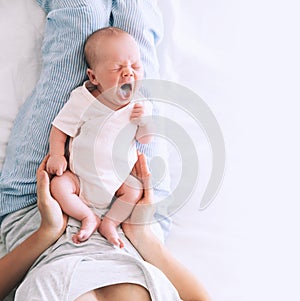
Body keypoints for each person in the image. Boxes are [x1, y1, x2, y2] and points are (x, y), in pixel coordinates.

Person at [0, 153, 211, 301]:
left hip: (36, 204)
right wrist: (141, 234)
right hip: (135, 211)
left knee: (64, 91)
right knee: (132, 98)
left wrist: (47, 231)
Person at [46, 27, 153, 248]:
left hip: (118, 181)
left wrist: (144, 121)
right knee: (59, 186)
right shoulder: (84, 100)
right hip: (79, 178)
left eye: (135, 66)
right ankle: (88, 217)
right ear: (94, 77)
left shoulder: (140, 106)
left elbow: (145, 139)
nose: (128, 73)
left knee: (135, 190)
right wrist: (57, 154)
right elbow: (60, 127)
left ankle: (110, 223)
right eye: (117, 68)